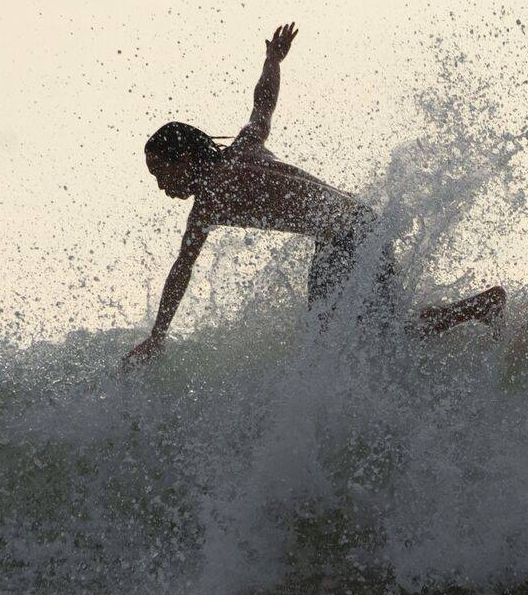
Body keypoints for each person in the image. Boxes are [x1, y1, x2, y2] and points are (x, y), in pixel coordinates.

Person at [124, 23, 505, 368]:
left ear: (187, 157)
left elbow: (181, 268)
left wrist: (157, 337)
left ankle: (478, 308)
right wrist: (273, 60)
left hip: (348, 238)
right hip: (356, 226)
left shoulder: (211, 199)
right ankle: (475, 311)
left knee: (346, 342)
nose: (161, 185)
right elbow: (263, 105)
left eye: (162, 173)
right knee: (354, 338)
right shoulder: (244, 147)